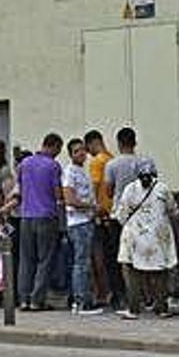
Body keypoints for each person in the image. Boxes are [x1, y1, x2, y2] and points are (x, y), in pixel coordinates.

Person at [114, 159, 178, 320]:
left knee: (131, 272)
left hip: (134, 237)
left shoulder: (130, 189)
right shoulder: (162, 188)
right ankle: (161, 308)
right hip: (157, 238)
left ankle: (134, 309)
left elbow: (121, 215)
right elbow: (174, 211)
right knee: (159, 273)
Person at [17, 133, 63, 312]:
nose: (58, 153)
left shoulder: (24, 164)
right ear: (53, 146)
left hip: (26, 217)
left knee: (26, 260)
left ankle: (23, 299)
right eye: (58, 149)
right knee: (45, 260)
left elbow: (20, 188)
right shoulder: (53, 165)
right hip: (46, 216)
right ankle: (37, 300)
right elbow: (57, 193)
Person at [62, 138, 103, 315]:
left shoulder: (83, 170)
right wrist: (92, 207)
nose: (81, 153)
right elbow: (70, 199)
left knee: (84, 262)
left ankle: (84, 298)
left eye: (82, 150)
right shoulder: (70, 172)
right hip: (78, 223)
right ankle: (81, 302)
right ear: (70, 154)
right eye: (76, 151)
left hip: (87, 221)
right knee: (81, 263)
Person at [102, 127, 141, 310]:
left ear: (119, 143)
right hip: (141, 215)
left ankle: (122, 295)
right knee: (140, 256)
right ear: (135, 142)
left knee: (118, 256)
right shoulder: (144, 163)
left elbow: (108, 192)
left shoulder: (112, 165)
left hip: (119, 215)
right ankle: (144, 295)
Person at [84, 129, 114, 307]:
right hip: (113, 213)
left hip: (100, 213)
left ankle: (102, 293)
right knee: (113, 256)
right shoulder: (111, 158)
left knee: (98, 257)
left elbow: (94, 187)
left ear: (92, 143)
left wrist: (93, 210)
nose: (87, 153)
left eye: (87, 148)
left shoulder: (97, 161)